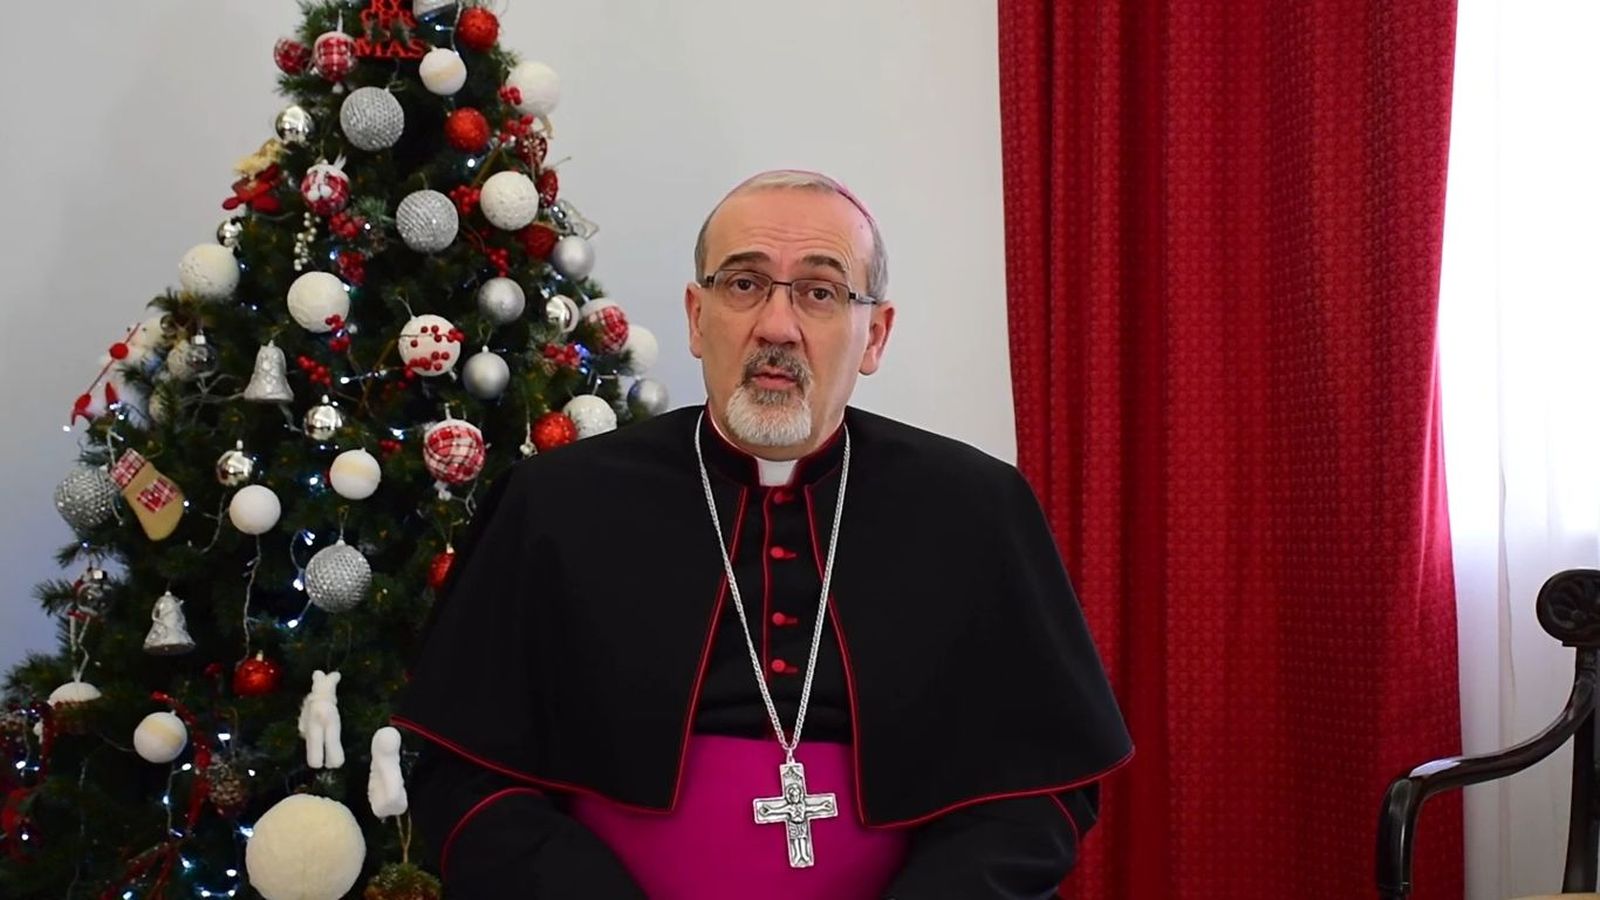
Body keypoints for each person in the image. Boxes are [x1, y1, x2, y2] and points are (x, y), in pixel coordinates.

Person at [395, 170, 1132, 899]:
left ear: (874, 334)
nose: (776, 327)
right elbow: (465, 773)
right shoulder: (557, 504)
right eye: (744, 284)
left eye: (820, 291)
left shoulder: (977, 510)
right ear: (695, 316)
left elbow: (1039, 792)